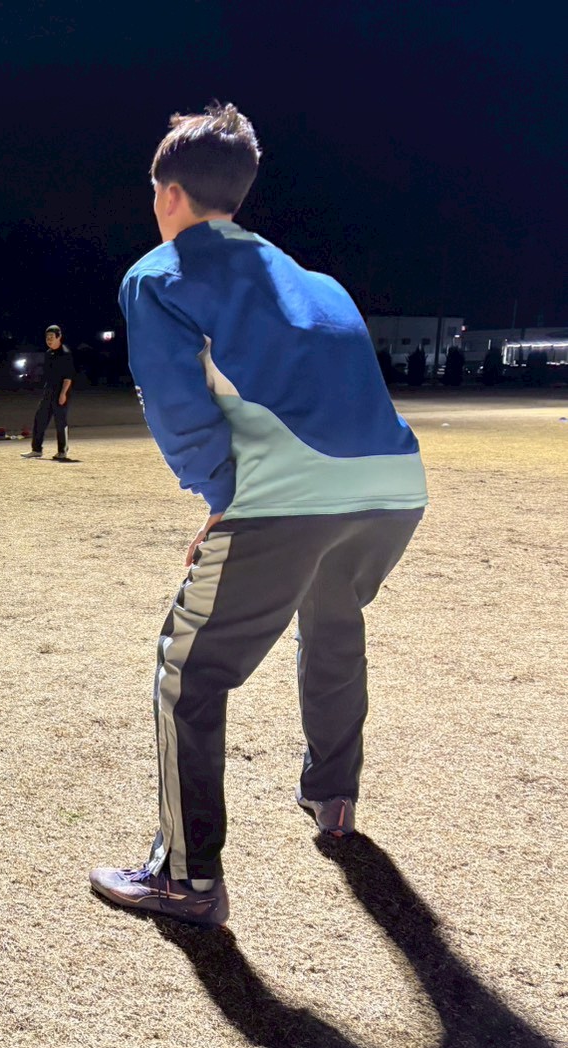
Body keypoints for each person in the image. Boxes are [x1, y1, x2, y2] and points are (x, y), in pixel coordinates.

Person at [88, 103, 428, 926]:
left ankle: (186, 879)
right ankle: (333, 800)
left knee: (188, 672)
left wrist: (225, 503)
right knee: (333, 626)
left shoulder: (158, 275)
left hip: (289, 498)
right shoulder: (318, 282)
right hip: (391, 489)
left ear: (169, 194)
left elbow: (179, 414)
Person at [21, 325, 75, 460]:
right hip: (49, 390)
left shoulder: (65, 353)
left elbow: (68, 377)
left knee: (60, 422)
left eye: (51, 337)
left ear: (59, 337)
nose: (49, 340)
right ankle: (36, 449)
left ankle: (62, 451)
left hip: (61, 391)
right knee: (40, 419)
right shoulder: (48, 353)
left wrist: (63, 394)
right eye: (47, 338)